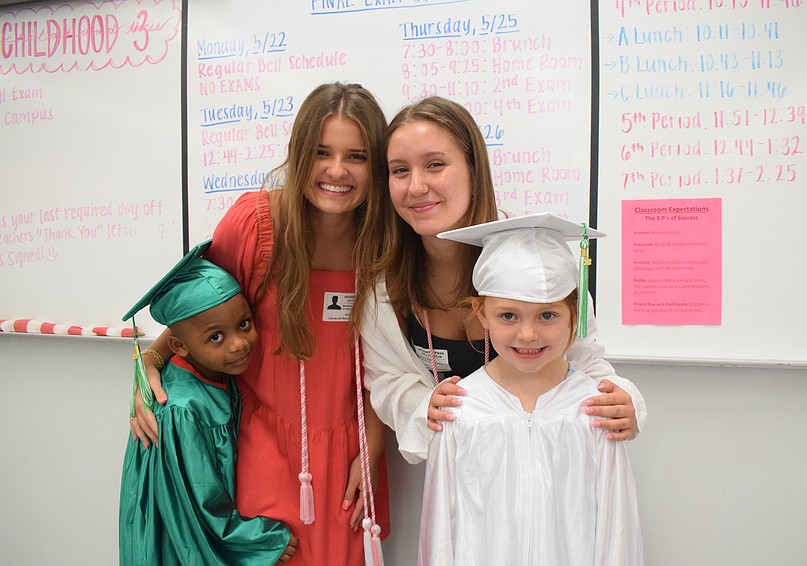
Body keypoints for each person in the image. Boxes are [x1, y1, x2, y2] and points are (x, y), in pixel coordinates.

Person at [129, 83, 392, 566]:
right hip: (260, 449)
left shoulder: (385, 241)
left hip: (349, 458)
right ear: (298, 153)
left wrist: (371, 452)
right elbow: (200, 317)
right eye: (321, 152)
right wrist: (149, 363)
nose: (337, 170)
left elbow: (387, 366)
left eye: (356, 156)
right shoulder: (254, 222)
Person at [361, 96, 647, 464]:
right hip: (450, 474)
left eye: (435, 165)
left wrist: (623, 401)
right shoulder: (383, 288)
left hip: (548, 468)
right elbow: (388, 378)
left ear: (474, 169)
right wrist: (423, 405)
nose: (416, 186)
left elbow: (584, 362)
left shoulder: (535, 260)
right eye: (399, 170)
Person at [418, 214, 643, 565]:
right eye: (508, 316)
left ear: (575, 313)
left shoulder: (595, 411)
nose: (528, 335)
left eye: (547, 316)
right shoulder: (459, 410)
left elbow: (617, 532)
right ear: (482, 316)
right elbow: (439, 539)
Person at [119, 241, 298, 565]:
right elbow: (197, 508)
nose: (239, 344)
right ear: (179, 346)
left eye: (244, 324)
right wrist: (260, 541)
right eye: (216, 337)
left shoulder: (214, 373)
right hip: (178, 538)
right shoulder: (181, 411)